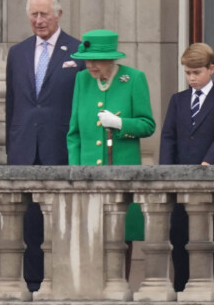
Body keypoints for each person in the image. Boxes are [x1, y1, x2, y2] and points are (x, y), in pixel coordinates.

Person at [5, 0, 84, 291]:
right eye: (34, 15)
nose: (39, 20)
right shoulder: (18, 53)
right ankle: (33, 285)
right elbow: (13, 105)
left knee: (63, 225)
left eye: (44, 14)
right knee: (30, 226)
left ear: (58, 15)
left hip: (60, 149)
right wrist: (13, 150)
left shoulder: (76, 51)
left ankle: (63, 284)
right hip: (25, 150)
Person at [67, 29, 155, 278]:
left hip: (122, 174)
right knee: (90, 238)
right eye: (88, 59)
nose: (91, 65)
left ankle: (120, 290)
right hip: (88, 177)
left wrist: (120, 125)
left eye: (96, 59)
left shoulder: (133, 79)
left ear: (111, 59)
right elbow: (73, 133)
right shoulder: (82, 80)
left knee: (120, 239)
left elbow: (148, 125)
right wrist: (75, 172)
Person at [160, 43, 214, 291]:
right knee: (178, 234)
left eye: (197, 72)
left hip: (209, 178)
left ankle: (204, 285)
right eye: (188, 72)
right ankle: (181, 286)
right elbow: (168, 136)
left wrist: (209, 161)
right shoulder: (178, 100)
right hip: (180, 178)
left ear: (211, 68)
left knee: (207, 235)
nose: (191, 78)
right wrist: (166, 171)